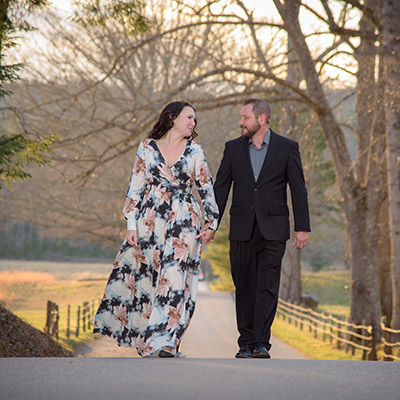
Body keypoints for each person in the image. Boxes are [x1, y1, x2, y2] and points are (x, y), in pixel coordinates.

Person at [93, 101, 219, 358]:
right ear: (172, 118)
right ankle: (151, 339)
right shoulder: (147, 148)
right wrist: (131, 225)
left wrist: (211, 223)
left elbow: (205, 187)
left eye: (195, 119)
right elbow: (136, 186)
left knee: (174, 281)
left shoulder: (195, 150)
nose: (193, 123)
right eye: (189, 117)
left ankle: (166, 343)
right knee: (150, 281)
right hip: (150, 222)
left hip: (184, 221)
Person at [212, 98, 310, 359]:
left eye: (245, 117)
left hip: (274, 229)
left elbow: (298, 189)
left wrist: (302, 228)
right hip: (242, 228)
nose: (241, 122)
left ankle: (261, 343)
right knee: (244, 284)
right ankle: (245, 342)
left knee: (267, 285)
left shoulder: (287, 148)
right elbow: (221, 188)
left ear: (262, 119)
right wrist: (211, 224)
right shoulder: (232, 149)